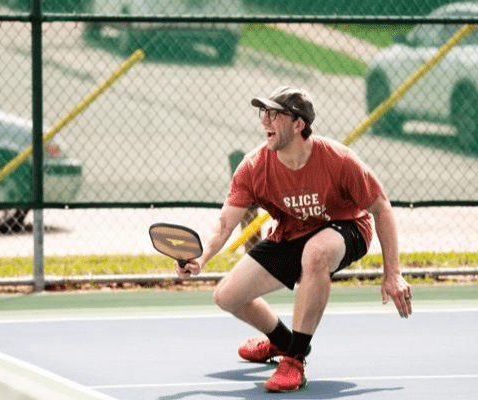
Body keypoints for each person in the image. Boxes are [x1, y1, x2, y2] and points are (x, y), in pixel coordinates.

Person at [175, 86, 413, 392]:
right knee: (227, 296)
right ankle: (284, 342)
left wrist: (392, 273)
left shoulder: (339, 160)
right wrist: (202, 257)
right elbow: (224, 223)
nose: (265, 122)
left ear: (299, 124)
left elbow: (381, 206)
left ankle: (295, 360)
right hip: (294, 232)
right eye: (264, 113)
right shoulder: (254, 166)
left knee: (316, 254)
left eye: (274, 114)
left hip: (347, 227)